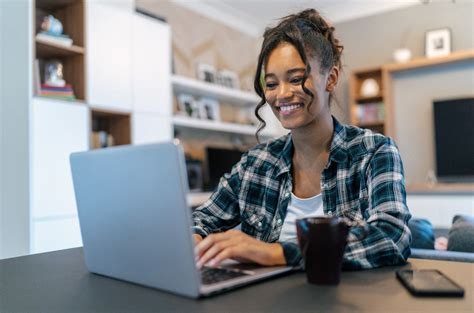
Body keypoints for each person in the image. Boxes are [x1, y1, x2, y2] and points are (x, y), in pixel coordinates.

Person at [193, 9, 412, 270]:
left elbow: (391, 236)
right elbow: (202, 219)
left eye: (296, 79)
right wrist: (195, 240)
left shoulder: (374, 152)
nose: (282, 94)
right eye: (272, 84)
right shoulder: (255, 164)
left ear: (330, 78)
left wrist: (277, 253)